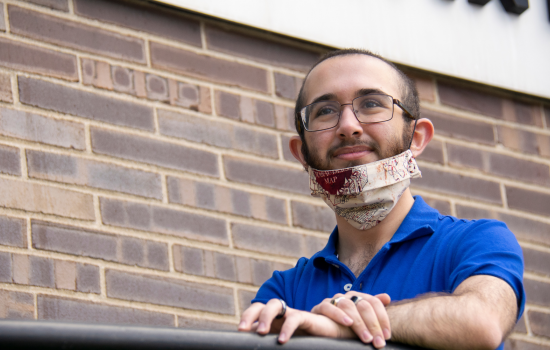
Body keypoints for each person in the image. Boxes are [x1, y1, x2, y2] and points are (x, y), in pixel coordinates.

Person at [237, 49, 525, 350]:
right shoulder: (285, 292)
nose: (348, 126)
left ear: (416, 137)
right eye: (324, 111)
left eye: (371, 104)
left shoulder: (477, 241)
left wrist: (343, 326)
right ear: (302, 154)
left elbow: (482, 322)